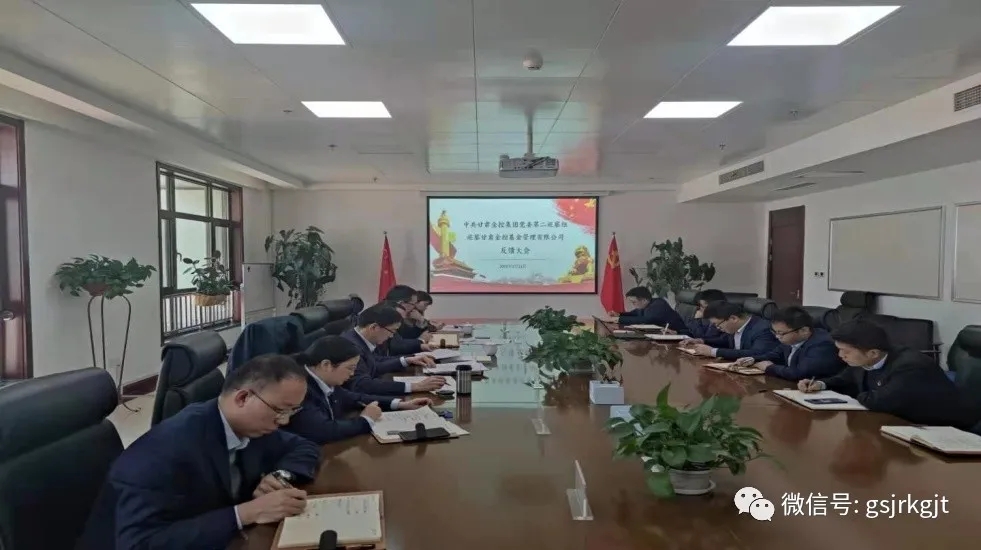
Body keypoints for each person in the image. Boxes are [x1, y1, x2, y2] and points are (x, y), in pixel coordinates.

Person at [76, 355, 320, 550]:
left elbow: (304, 447)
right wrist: (245, 513)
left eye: (291, 412)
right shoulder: (166, 450)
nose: (284, 421)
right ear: (243, 398)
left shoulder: (253, 426)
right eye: (280, 410)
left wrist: (280, 475)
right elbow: (139, 543)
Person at [798, 320, 979, 429]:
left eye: (846, 351)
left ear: (873, 353)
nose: (840, 356)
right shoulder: (864, 358)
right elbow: (846, 379)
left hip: (944, 428)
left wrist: (855, 395)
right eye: (839, 350)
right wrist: (821, 384)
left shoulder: (911, 366)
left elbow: (879, 401)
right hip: (902, 423)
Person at [286, 336, 434, 444]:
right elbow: (323, 431)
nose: (352, 374)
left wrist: (399, 404)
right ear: (326, 365)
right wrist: (365, 420)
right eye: (350, 368)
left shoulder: (322, 378)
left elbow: (351, 397)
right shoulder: (299, 388)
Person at [342, 303, 445, 395]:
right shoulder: (351, 347)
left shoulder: (358, 339)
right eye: (392, 331)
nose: (391, 336)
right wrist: (415, 386)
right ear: (374, 327)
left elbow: (376, 362)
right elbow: (363, 385)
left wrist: (408, 360)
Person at [741, 306, 846, 381]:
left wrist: (770, 367)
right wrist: (753, 359)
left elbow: (800, 373)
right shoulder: (791, 339)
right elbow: (775, 355)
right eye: (774, 332)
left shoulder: (822, 345)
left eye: (781, 333)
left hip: (823, 393)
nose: (777, 337)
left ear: (804, 330)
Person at [681, 301, 780, 361]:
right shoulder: (735, 327)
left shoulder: (763, 329)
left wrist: (713, 352)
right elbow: (724, 341)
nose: (717, 328)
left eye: (717, 324)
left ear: (733, 318)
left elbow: (756, 353)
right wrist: (702, 341)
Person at [607, 286, 688, 333]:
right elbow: (634, 313)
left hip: (679, 335)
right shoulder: (647, 304)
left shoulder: (659, 304)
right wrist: (619, 314)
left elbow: (646, 320)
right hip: (664, 335)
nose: (633, 304)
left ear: (644, 300)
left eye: (634, 302)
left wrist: (619, 319)